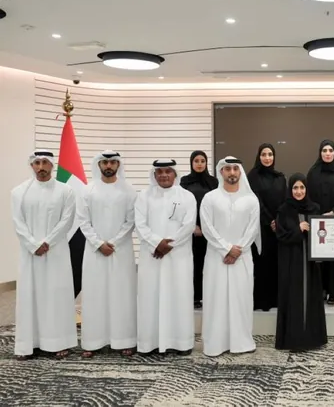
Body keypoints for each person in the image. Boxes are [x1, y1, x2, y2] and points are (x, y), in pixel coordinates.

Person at [10, 150, 78, 360]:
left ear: (52, 165)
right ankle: (27, 345)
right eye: (37, 163)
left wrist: (47, 242)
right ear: (32, 165)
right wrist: (33, 245)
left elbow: (67, 220)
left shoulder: (66, 191)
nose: (41, 167)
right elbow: (18, 222)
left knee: (55, 296)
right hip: (29, 253)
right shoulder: (19, 192)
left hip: (56, 251)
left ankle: (58, 343)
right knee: (29, 295)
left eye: (45, 163)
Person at [79, 151, 138, 358]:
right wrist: (98, 243)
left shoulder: (129, 190)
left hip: (121, 251)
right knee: (95, 294)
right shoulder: (88, 190)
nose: (109, 165)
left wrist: (113, 242)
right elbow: (83, 220)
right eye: (105, 162)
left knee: (122, 294)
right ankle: (93, 341)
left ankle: (124, 340)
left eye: (113, 162)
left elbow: (131, 221)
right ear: (99, 165)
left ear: (118, 165)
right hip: (94, 251)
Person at [135, 159, 197, 355]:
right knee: (150, 296)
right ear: (154, 175)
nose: (163, 175)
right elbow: (140, 224)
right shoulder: (144, 196)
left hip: (178, 256)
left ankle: (181, 343)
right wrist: (156, 243)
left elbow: (189, 225)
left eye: (168, 171)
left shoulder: (187, 196)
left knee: (179, 296)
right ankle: (149, 343)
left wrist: (168, 245)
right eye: (159, 172)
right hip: (152, 255)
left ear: (175, 174)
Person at [200, 157, 260, 356]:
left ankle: (242, 342)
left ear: (240, 171)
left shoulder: (251, 200)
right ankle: (215, 343)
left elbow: (253, 229)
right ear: (221, 172)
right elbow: (207, 227)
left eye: (235, 168)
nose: (232, 172)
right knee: (215, 300)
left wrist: (238, 250)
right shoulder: (210, 198)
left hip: (242, 258)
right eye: (228, 169)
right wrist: (226, 248)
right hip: (216, 258)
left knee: (241, 299)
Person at [275, 173, 328, 351]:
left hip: (311, 262)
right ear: (290, 190)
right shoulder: (283, 210)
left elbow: (322, 233)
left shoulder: (314, 208)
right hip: (292, 261)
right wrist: (298, 229)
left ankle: (312, 339)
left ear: (307, 188)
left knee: (311, 296)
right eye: (295, 188)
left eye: (302, 187)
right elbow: (281, 235)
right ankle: (294, 339)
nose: (299, 191)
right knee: (294, 296)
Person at [306, 139, 334, 305]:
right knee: (320, 256)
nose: (327, 153)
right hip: (318, 221)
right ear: (320, 153)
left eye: (330, 150)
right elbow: (308, 196)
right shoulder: (313, 172)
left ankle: (333, 291)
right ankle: (321, 289)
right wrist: (317, 214)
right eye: (324, 150)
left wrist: (333, 212)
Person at [248, 143, 287, 311]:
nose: (267, 158)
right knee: (261, 263)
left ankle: (275, 299)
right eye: (264, 154)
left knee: (276, 263)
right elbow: (255, 200)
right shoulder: (252, 176)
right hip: (260, 227)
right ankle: (262, 301)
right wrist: (269, 220)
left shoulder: (280, 177)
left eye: (270, 154)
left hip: (278, 227)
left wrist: (278, 220)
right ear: (259, 156)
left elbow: (285, 201)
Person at [180, 150, 219, 309]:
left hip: (210, 229)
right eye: (196, 161)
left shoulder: (213, 182)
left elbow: (217, 204)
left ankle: (208, 295)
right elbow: (183, 205)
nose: (199, 164)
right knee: (193, 263)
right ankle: (195, 296)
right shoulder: (185, 181)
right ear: (191, 163)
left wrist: (207, 227)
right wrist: (193, 226)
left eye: (202, 161)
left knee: (209, 263)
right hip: (191, 230)